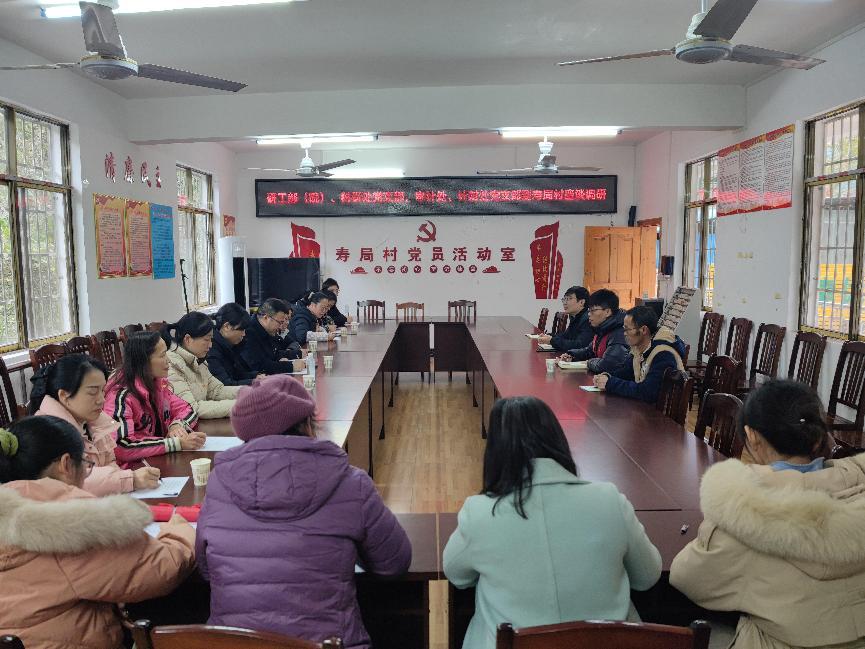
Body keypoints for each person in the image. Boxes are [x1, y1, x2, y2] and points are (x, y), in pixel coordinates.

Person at [195, 374, 412, 647]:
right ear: (308, 424)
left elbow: (206, 568)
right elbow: (394, 562)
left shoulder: (219, 483)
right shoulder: (349, 482)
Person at [443, 396, 661, 649]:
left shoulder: (481, 512)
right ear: (558, 439)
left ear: (494, 452)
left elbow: (456, 575)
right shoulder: (609, 499)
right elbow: (647, 576)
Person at [670, 380, 865, 649]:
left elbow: (686, 578)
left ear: (751, 437)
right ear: (818, 435)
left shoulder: (746, 517)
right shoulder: (857, 487)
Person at [0, 415, 196, 649]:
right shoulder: (67, 522)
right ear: (65, 464)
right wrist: (180, 529)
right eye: (85, 464)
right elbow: (163, 569)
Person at [29, 354, 160, 495]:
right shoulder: (46, 433)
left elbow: (110, 462)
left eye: (102, 391)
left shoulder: (94, 423)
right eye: (93, 392)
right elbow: (73, 481)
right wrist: (129, 479)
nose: (102, 400)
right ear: (64, 396)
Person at [104, 331, 205, 462]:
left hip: (156, 460)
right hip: (133, 468)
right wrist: (176, 443)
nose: (168, 360)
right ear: (143, 360)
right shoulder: (121, 396)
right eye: (162, 355)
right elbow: (121, 446)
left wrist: (177, 425)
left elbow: (188, 409)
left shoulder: (158, 385)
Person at [593, 305, 687, 403]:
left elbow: (648, 392)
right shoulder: (639, 348)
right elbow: (626, 373)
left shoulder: (663, 354)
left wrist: (611, 384)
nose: (624, 333)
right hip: (644, 406)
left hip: (658, 411)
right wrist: (607, 377)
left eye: (627, 329)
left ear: (643, 330)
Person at [164, 312, 241, 419]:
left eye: (211, 339)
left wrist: (250, 393)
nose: (210, 345)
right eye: (206, 339)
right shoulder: (171, 365)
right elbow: (191, 408)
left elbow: (216, 391)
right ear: (188, 339)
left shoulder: (198, 360)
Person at [560, 289, 628, 374]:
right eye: (589, 310)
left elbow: (606, 366)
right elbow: (590, 351)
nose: (589, 314)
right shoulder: (602, 328)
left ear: (607, 312)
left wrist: (588, 362)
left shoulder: (619, 333)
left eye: (593, 310)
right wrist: (571, 355)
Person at [239, 297, 306, 375]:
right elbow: (259, 366)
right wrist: (291, 366)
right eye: (280, 322)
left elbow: (274, 354)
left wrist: (296, 354)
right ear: (266, 318)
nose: (281, 326)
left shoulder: (267, 330)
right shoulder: (248, 333)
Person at [208, 303, 265, 386]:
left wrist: (256, 376)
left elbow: (237, 374)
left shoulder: (228, 344)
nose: (244, 334)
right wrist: (254, 382)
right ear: (227, 326)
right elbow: (225, 385)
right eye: (241, 330)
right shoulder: (211, 350)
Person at [537, 285, 592, 352]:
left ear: (581, 302)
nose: (565, 303)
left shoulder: (588, 320)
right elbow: (566, 336)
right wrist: (549, 337)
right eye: (564, 299)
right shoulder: (575, 316)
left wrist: (552, 341)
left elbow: (580, 345)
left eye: (569, 299)